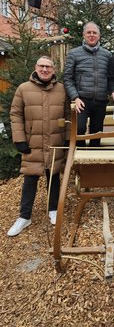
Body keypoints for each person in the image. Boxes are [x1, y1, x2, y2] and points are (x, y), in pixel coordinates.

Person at [7, 56, 69, 237]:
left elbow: (67, 115)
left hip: (55, 141)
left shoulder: (62, 89)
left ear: (54, 70)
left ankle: (53, 210)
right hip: (32, 142)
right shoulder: (24, 89)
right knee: (30, 178)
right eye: (41, 66)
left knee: (54, 176)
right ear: (36, 67)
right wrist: (19, 139)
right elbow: (16, 114)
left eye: (48, 67)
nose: (44, 70)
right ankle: (24, 216)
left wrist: (66, 137)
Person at [63, 21, 111, 147]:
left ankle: (93, 162)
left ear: (99, 36)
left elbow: (111, 77)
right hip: (81, 100)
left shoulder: (107, 55)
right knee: (79, 130)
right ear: (83, 35)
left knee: (97, 133)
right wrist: (75, 97)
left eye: (94, 33)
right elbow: (67, 78)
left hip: (100, 100)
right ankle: (80, 161)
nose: (91, 35)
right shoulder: (74, 54)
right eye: (88, 32)